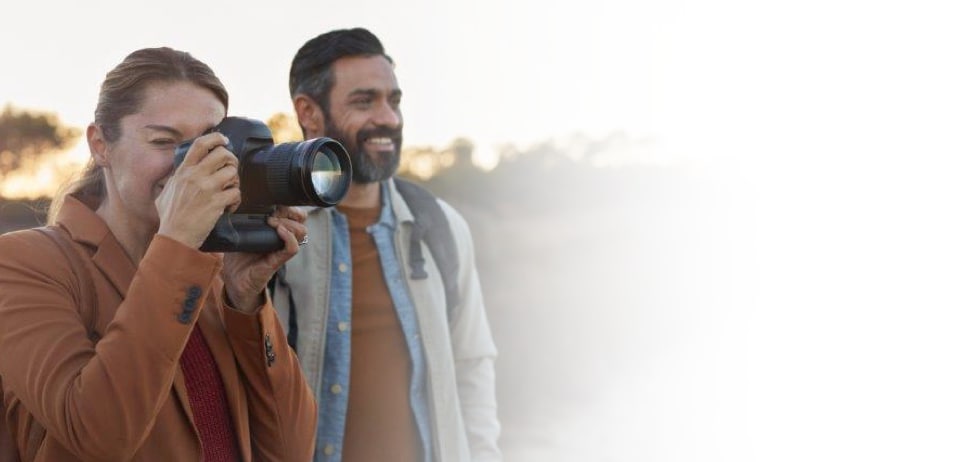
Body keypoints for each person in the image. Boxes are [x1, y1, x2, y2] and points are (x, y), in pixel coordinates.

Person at [0, 47, 317, 461]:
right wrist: (179, 247)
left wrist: (246, 302)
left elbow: (290, 449)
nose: (191, 168)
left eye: (209, 145)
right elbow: (99, 435)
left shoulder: (209, 274)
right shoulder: (26, 262)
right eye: (165, 142)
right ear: (100, 145)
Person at [274, 28, 501, 461]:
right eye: (365, 101)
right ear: (309, 112)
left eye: (393, 101)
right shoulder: (276, 231)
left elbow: (472, 366)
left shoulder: (440, 227)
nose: (389, 119)